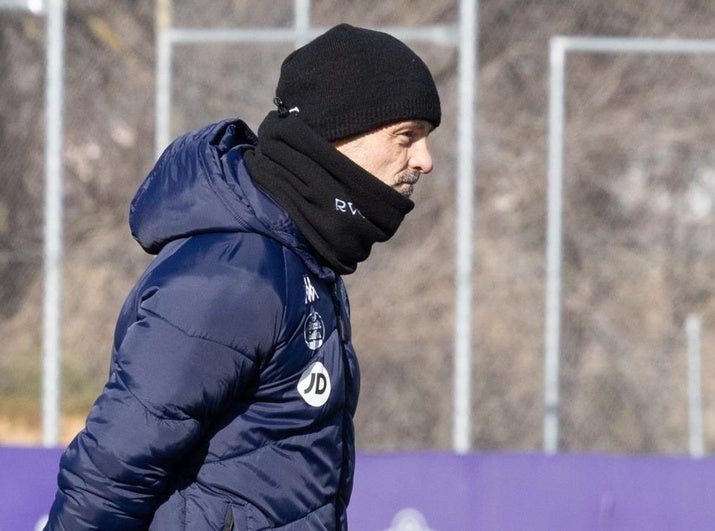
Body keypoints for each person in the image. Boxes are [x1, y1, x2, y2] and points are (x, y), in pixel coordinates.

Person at [44, 22, 440, 530]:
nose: (425, 161)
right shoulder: (236, 270)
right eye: (406, 137)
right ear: (335, 135)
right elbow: (111, 471)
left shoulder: (302, 259)